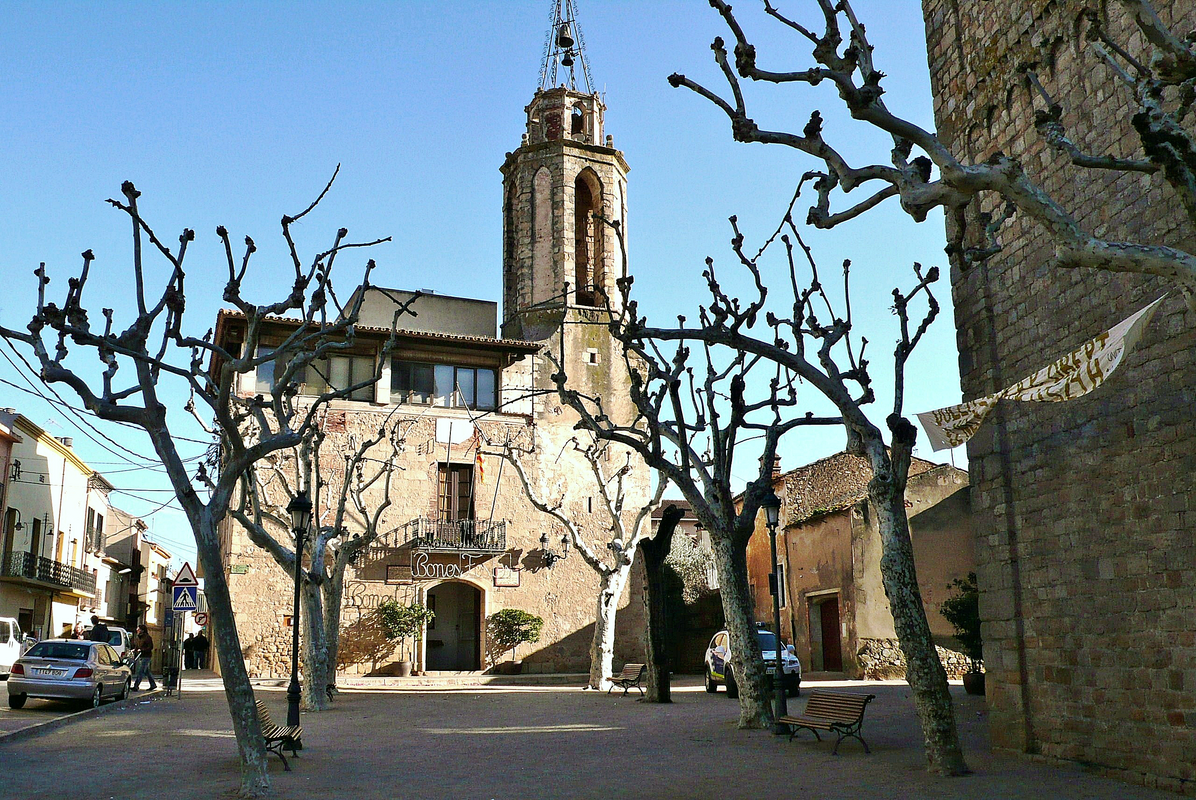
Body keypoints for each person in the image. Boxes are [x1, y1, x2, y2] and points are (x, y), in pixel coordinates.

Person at [131, 625, 157, 691]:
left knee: (141, 671)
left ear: (142, 630)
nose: (137, 630)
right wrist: (135, 649)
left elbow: (150, 647)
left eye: (138, 629)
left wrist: (142, 650)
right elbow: (137, 645)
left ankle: (136, 686)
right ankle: (153, 684)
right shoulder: (138, 637)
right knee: (147, 671)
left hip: (146, 656)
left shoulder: (147, 638)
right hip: (141, 656)